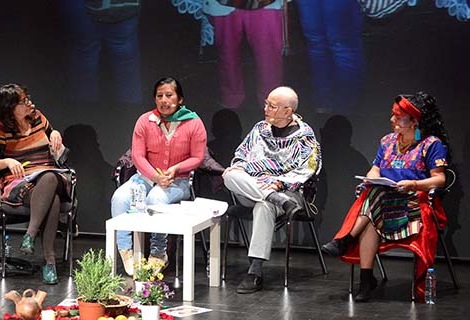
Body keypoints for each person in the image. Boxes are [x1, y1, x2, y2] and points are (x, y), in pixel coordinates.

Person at [322, 91, 450, 302]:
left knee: (373, 203)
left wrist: (414, 184)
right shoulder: (388, 141)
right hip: (384, 201)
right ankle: (365, 280)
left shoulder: (431, 144)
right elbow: (375, 169)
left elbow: (440, 179)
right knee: (374, 201)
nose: (392, 120)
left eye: (398, 117)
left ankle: (347, 239)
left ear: (414, 121)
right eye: (393, 115)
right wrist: (372, 178)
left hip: (413, 204)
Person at [222, 86, 322, 293]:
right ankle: (274, 198)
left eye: (272, 106)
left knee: (264, 206)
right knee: (229, 175)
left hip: (288, 193)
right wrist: (240, 165)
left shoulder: (305, 136)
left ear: (288, 111)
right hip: (254, 188)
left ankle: (255, 271)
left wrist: (280, 184)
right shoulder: (260, 129)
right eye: (266, 104)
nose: (266, 109)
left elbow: (308, 169)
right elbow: (241, 155)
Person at [110, 77, 207, 276]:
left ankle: (158, 251)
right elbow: (137, 156)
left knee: (156, 198)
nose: (164, 100)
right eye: (159, 96)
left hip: (177, 180)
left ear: (180, 99)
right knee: (120, 198)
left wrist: (176, 169)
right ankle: (126, 250)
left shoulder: (193, 122)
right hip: (145, 178)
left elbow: (197, 157)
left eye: (169, 95)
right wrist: (155, 176)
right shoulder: (145, 121)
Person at [0, 84, 71, 285]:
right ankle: (49, 263)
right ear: (10, 107)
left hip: (51, 176)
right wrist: (7, 161)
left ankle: (30, 235)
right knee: (54, 200)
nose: (29, 103)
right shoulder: (1, 128)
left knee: (49, 177)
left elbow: (52, 136)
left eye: (28, 98)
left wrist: (56, 133)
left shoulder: (38, 117)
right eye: (23, 101)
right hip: (22, 183)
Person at [202, 0, 284, 109]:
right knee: (227, 53)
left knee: (269, 55)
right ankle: (231, 99)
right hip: (223, 4)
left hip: (267, 3)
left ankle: (272, 100)